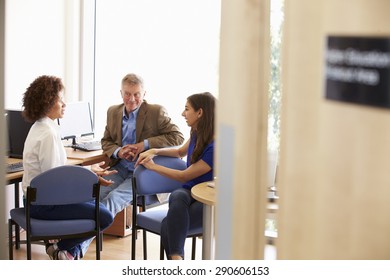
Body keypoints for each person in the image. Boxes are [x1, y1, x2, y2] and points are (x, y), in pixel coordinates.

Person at [21, 75, 115, 260]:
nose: (64, 104)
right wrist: (90, 179)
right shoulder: (48, 133)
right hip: (44, 206)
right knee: (105, 217)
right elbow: (56, 180)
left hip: (38, 201)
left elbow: (56, 170)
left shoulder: (41, 128)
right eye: (60, 99)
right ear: (47, 103)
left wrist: (90, 171)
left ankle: (66, 252)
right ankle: (61, 248)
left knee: (97, 208)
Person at [135, 92, 215, 260]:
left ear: (200, 113)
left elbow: (183, 176)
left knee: (168, 224)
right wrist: (155, 150)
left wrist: (153, 167)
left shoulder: (216, 146)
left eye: (187, 109)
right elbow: (179, 151)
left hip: (208, 200)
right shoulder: (196, 132)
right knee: (178, 195)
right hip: (190, 192)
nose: (182, 113)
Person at [99, 73, 184, 216]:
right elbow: (106, 141)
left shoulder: (155, 112)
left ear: (144, 94)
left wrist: (145, 144)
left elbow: (177, 137)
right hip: (119, 168)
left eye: (137, 94)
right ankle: (83, 236)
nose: (132, 99)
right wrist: (118, 151)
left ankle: (80, 239)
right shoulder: (113, 112)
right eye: (127, 94)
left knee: (114, 198)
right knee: (95, 197)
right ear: (121, 93)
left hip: (144, 171)